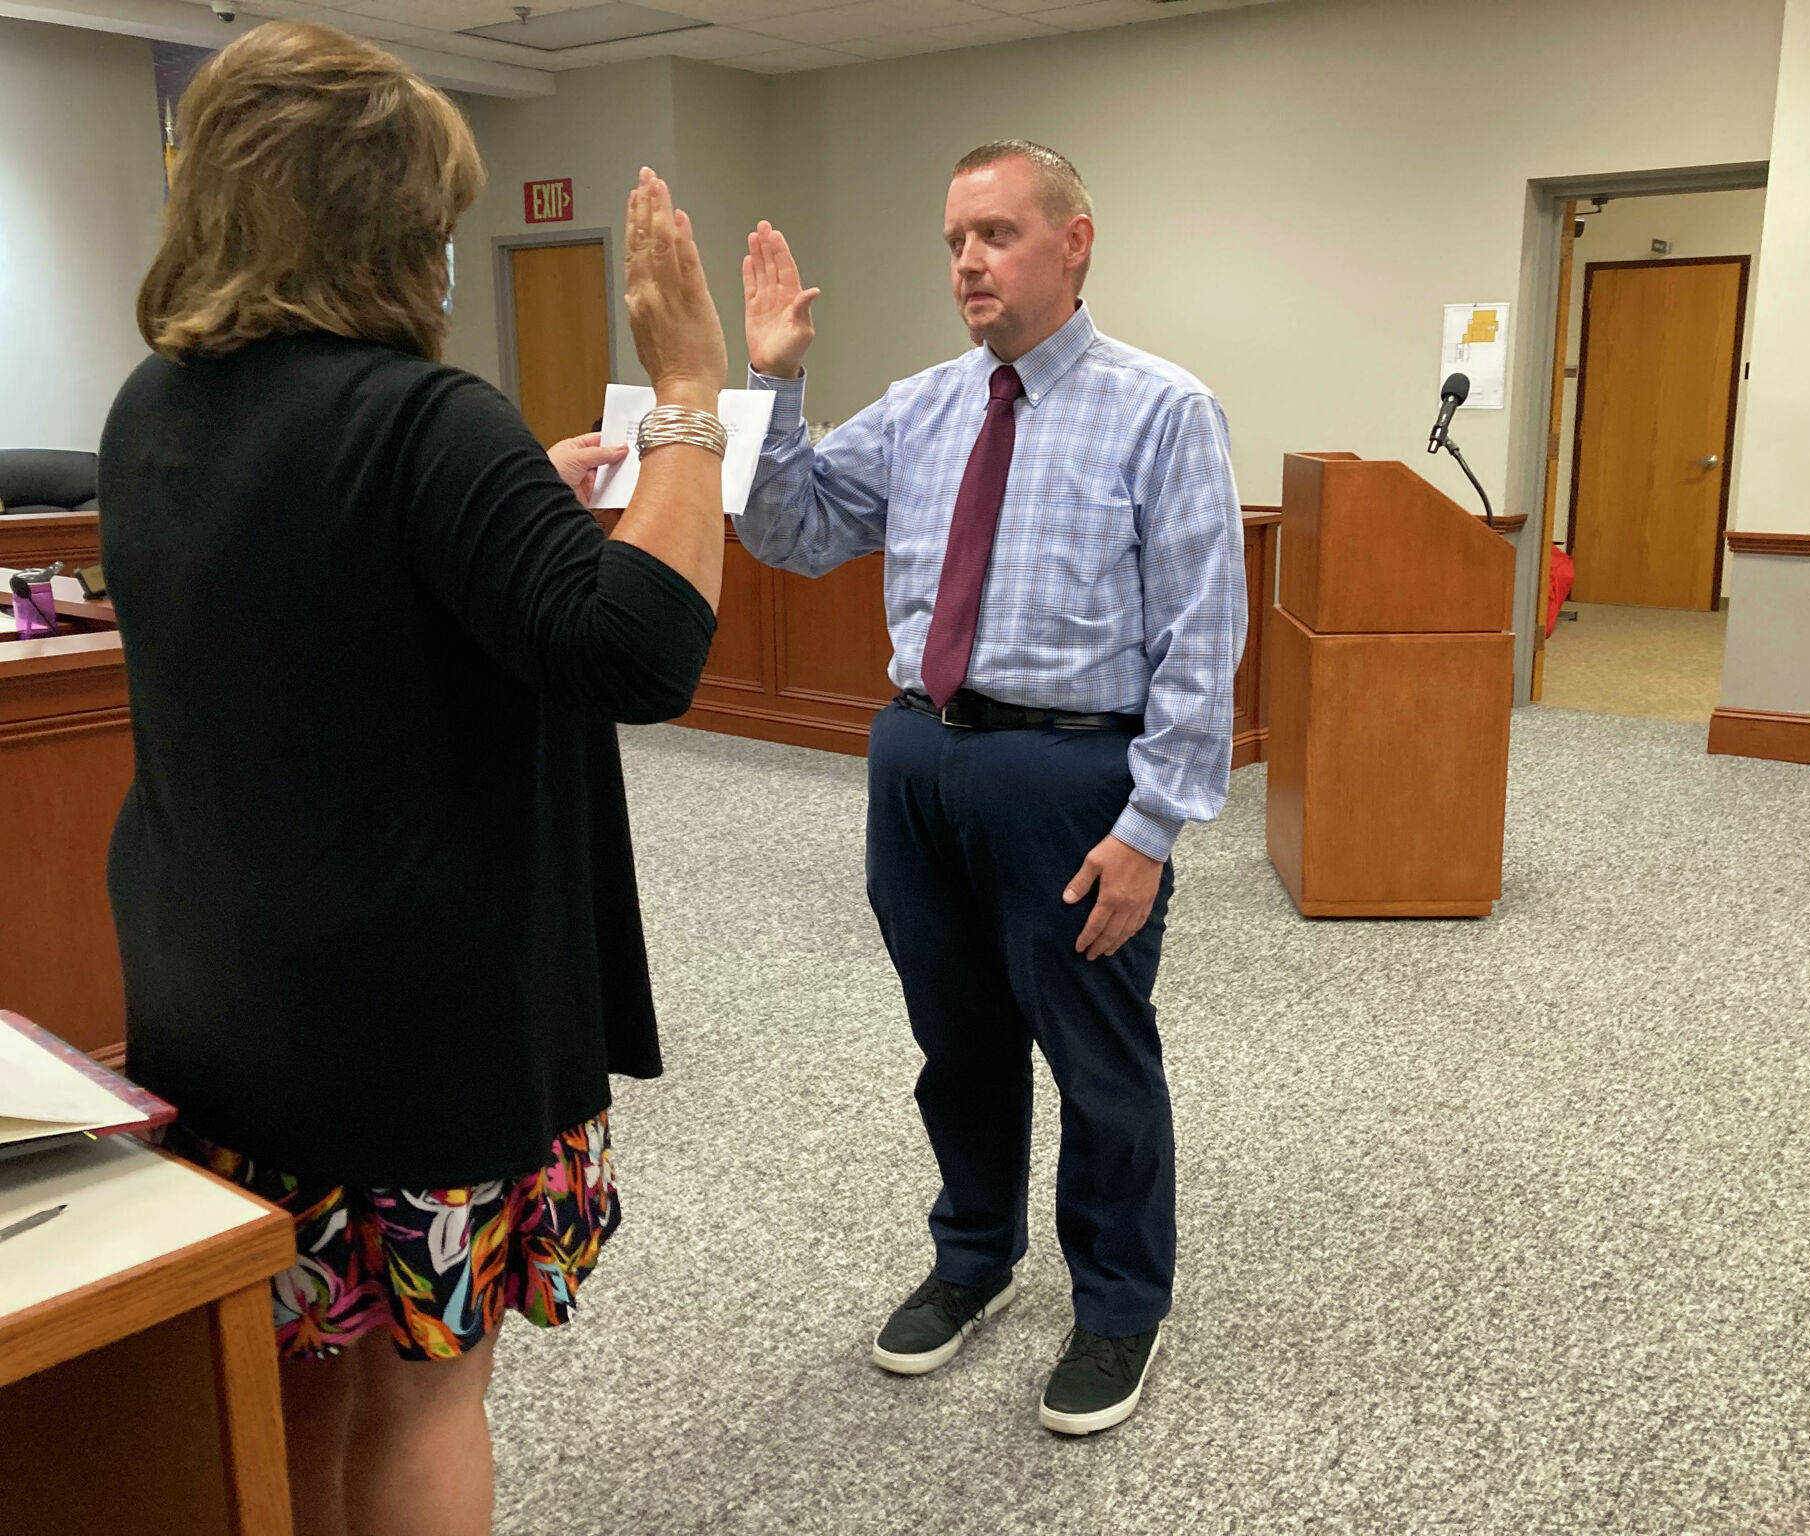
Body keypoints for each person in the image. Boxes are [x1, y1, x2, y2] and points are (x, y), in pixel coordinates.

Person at [99, 23, 731, 1536]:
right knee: (429, 1380)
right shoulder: (420, 418)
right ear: (383, 222)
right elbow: (644, 653)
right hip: (413, 1007)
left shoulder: (156, 408)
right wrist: (693, 392)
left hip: (222, 982)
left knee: (306, 1340)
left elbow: (340, 590)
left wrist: (518, 499)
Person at [738, 140, 1246, 1434]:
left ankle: (1120, 1305)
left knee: (1097, 1057)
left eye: (999, 234)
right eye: (955, 237)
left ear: (1073, 244)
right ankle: (973, 1259)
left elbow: (1203, 633)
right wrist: (773, 385)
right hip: (921, 760)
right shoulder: (923, 405)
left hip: (1072, 776)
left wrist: (1153, 828)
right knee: (955, 1040)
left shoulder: (1162, 409)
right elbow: (785, 531)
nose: (968, 259)